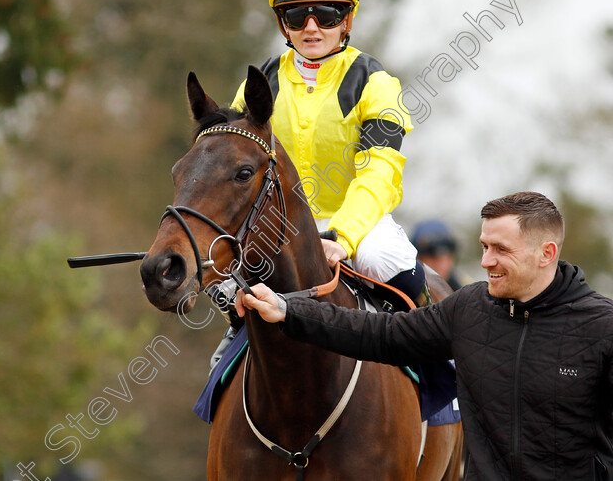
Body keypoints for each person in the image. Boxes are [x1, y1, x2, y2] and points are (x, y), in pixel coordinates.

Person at [236, 191, 613, 481]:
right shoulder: (468, 309)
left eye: (500, 250)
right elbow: (380, 333)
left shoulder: (603, 328)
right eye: (484, 247)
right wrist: (288, 310)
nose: (485, 262)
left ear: (546, 253)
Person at [210, 0, 424, 370]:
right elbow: (226, 166)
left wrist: (342, 238)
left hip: (355, 223)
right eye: (296, 16)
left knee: (383, 259)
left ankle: (432, 360)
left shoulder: (375, 83)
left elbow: (379, 171)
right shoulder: (258, 83)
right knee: (221, 281)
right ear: (282, 24)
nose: (311, 27)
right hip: (276, 227)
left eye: (325, 13)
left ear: (346, 19)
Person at [410, 218, 471, 291]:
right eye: (432, 257)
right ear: (417, 260)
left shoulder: (466, 291)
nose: (441, 265)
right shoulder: (404, 292)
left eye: (447, 257)